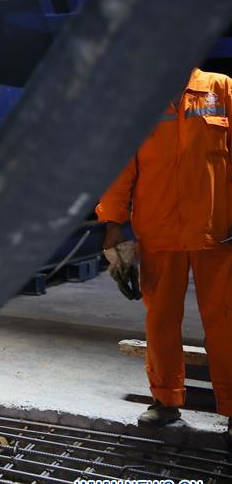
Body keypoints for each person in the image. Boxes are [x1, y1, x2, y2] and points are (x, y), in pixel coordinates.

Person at [97, 67, 231, 440]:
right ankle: (165, 400)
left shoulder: (221, 90)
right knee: (161, 319)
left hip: (215, 231)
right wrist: (112, 223)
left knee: (225, 320)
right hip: (159, 231)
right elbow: (120, 167)